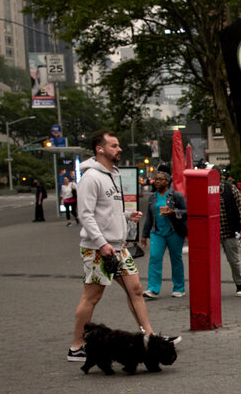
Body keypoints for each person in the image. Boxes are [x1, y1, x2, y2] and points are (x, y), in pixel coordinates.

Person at [69, 130, 179, 362]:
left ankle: (149, 337)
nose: (119, 149)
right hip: (98, 248)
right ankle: (77, 346)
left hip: (118, 247)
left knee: (136, 289)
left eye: (118, 145)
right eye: (114, 146)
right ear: (100, 149)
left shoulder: (112, 174)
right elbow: (86, 215)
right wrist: (101, 244)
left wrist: (127, 216)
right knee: (92, 296)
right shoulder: (91, 177)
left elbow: (107, 211)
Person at [140, 169, 187, 299]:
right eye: (156, 179)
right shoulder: (152, 197)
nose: (157, 182)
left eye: (160, 180)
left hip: (174, 232)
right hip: (157, 233)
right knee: (154, 258)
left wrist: (174, 212)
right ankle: (153, 289)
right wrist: (144, 235)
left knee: (176, 259)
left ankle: (179, 288)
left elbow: (187, 211)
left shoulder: (176, 196)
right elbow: (149, 217)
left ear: (167, 181)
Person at [217, 168, 241, 297]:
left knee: (233, 260)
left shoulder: (230, 189)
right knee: (212, 262)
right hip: (212, 233)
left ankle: (239, 285)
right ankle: (212, 286)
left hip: (229, 230)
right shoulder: (206, 190)